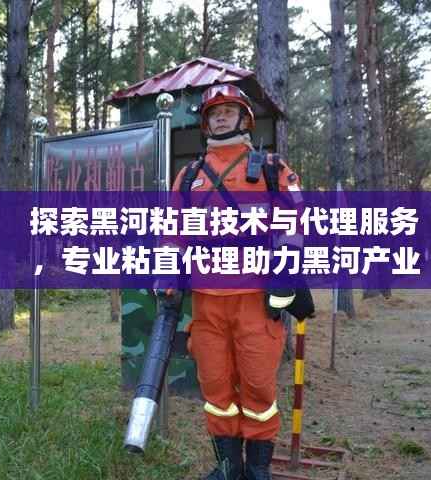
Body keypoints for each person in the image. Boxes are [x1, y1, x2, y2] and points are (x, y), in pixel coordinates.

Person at [171, 84, 304, 480]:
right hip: (206, 300)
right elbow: (173, 232)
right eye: (214, 113)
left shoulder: (272, 169)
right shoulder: (189, 176)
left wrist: (287, 272)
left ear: (244, 119)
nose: (221, 117)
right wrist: (166, 271)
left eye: (228, 111)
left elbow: (298, 222)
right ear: (205, 123)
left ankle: (258, 468)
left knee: (259, 385)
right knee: (215, 387)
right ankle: (228, 466)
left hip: (256, 298)